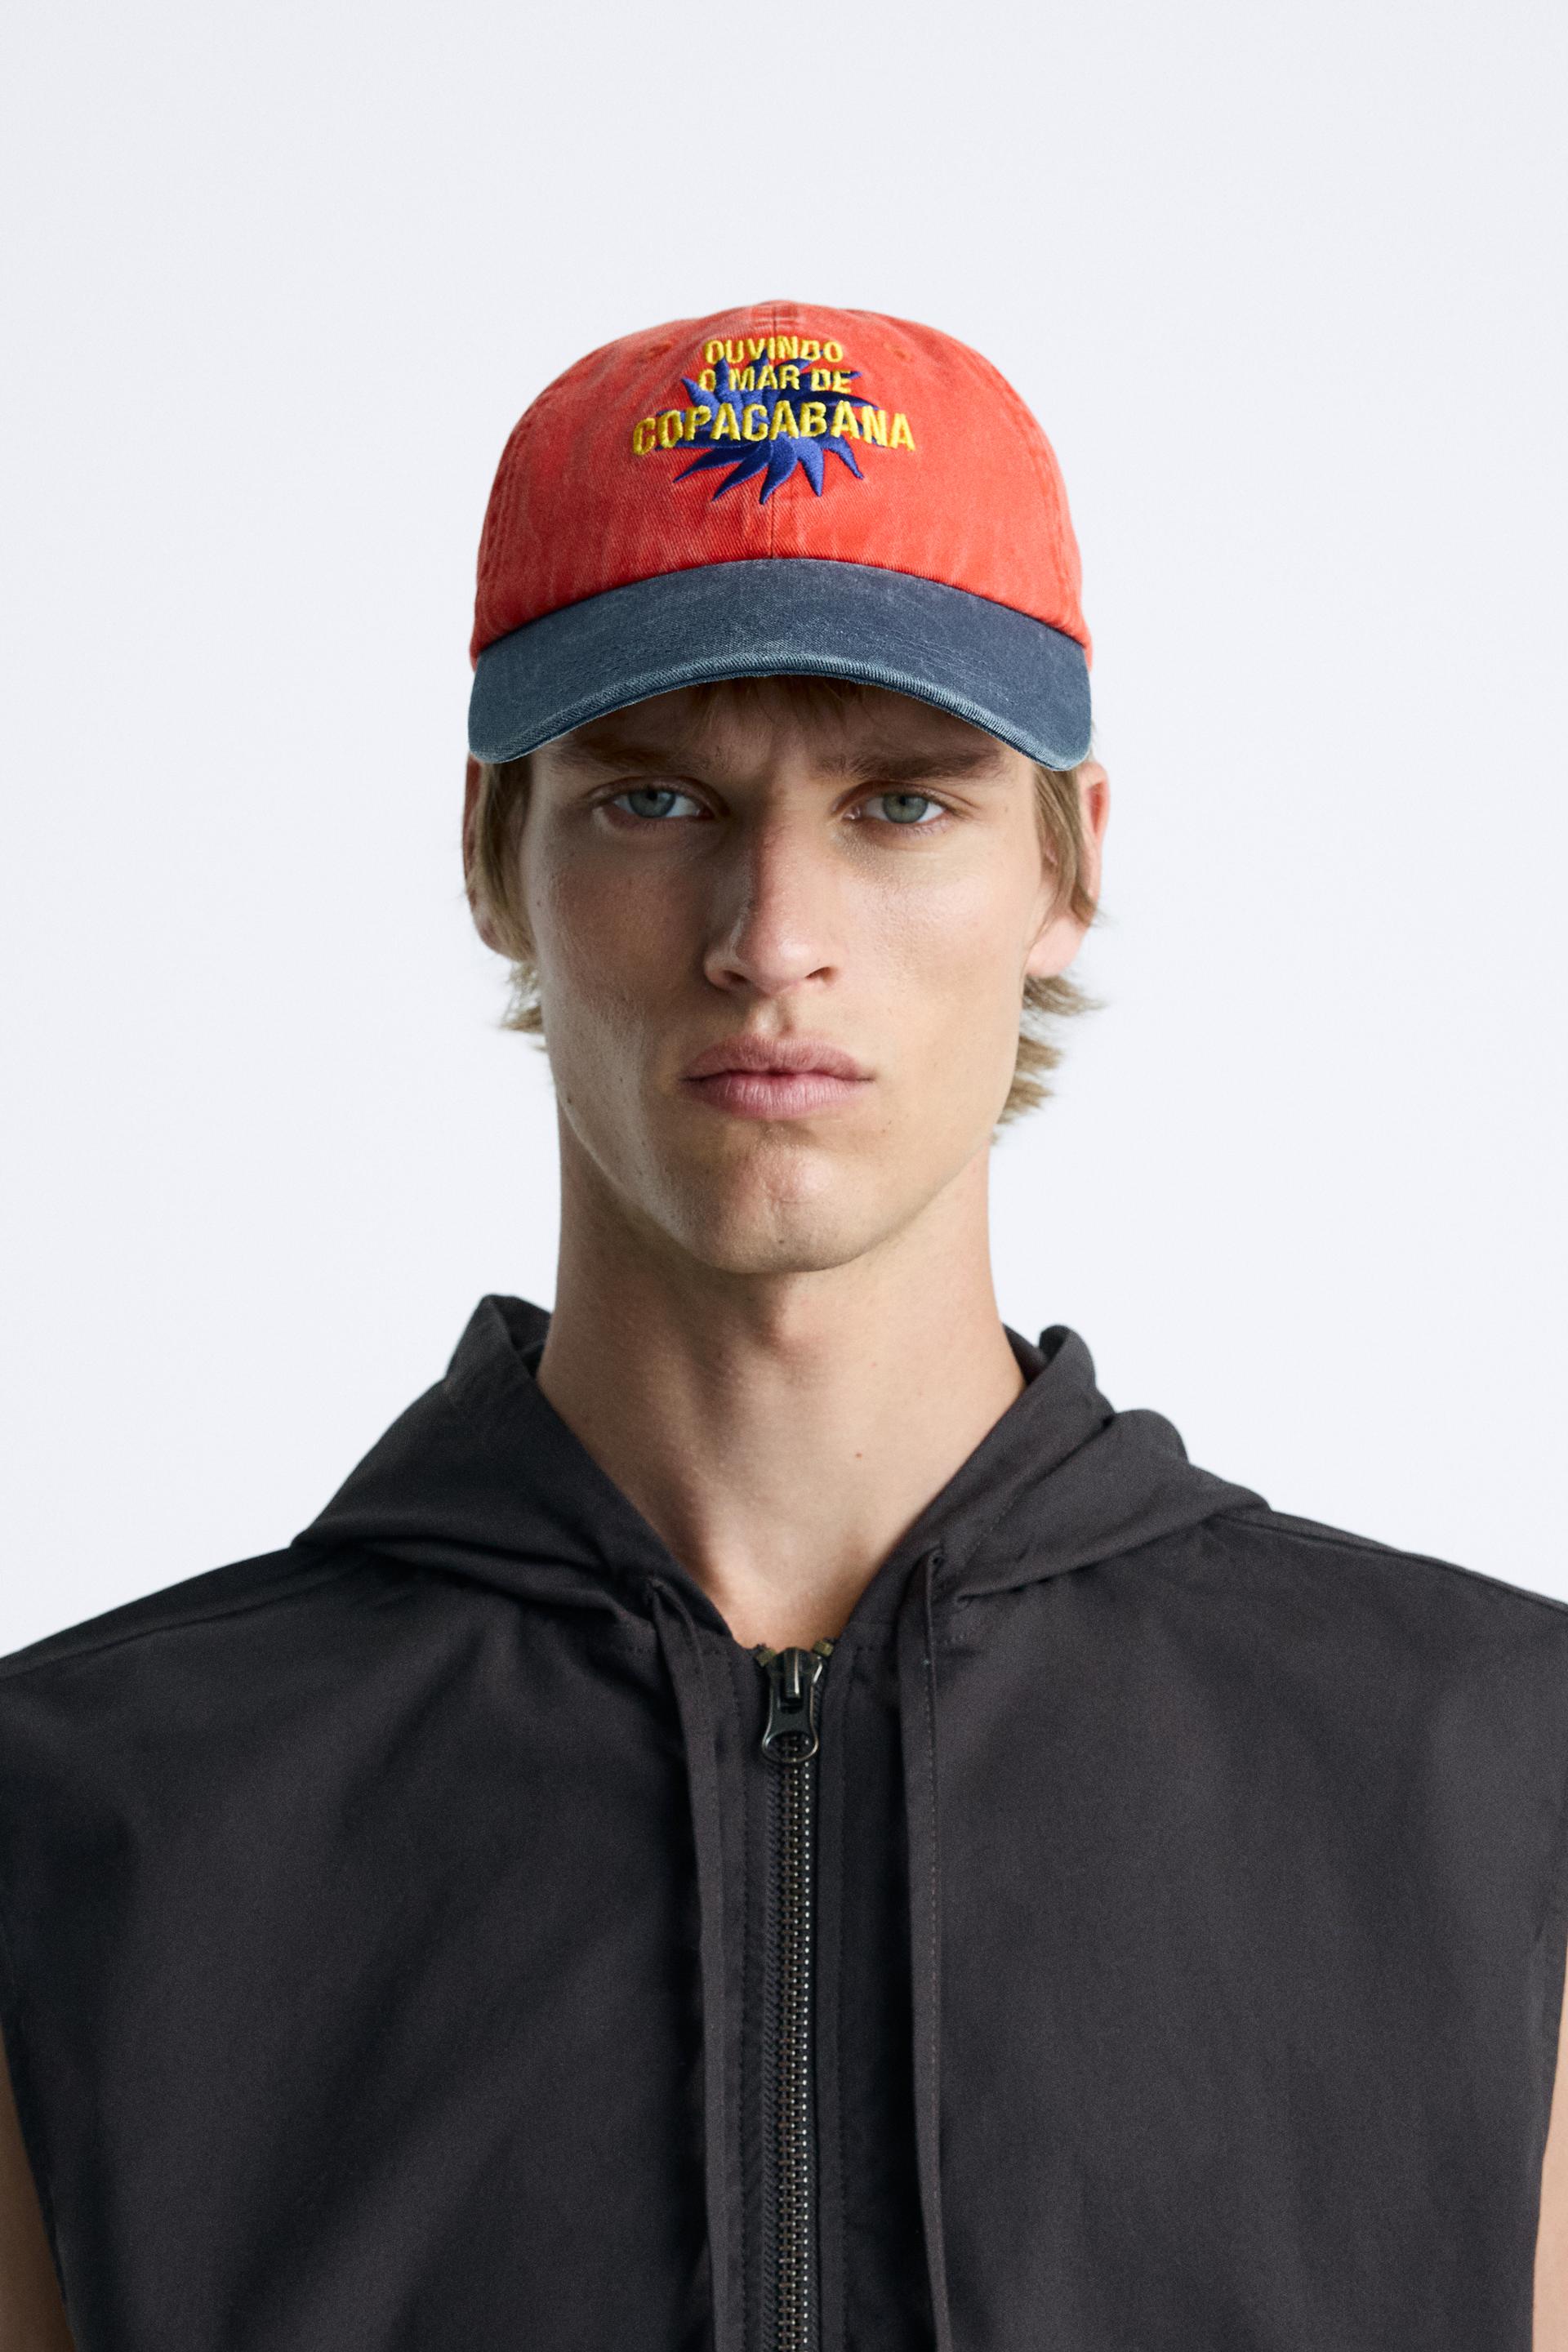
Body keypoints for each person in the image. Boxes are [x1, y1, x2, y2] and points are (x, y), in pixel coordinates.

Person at [2, 300, 1566, 2352]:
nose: (773, 939)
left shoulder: (1494, 1781)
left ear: (1068, 868)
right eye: (655, 803)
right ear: (492, 856)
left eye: (901, 805)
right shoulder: (83, 1820)